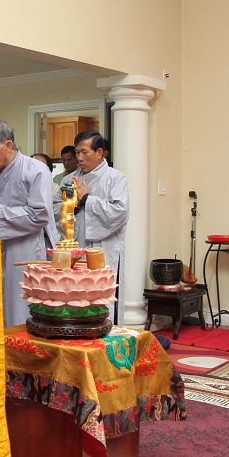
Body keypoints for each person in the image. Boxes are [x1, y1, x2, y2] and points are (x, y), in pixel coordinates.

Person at [0, 119, 56, 327]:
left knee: (21, 307)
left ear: (8, 145)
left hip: (27, 250)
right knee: (0, 306)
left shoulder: (36, 170)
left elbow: (40, 215)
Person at [61, 131, 130, 321]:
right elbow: (56, 211)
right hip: (76, 247)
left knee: (104, 297)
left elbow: (120, 212)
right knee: (76, 296)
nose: (79, 158)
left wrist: (87, 199)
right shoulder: (68, 180)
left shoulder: (115, 178)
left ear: (99, 152)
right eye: (77, 152)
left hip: (105, 248)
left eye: (84, 152)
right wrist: (72, 205)